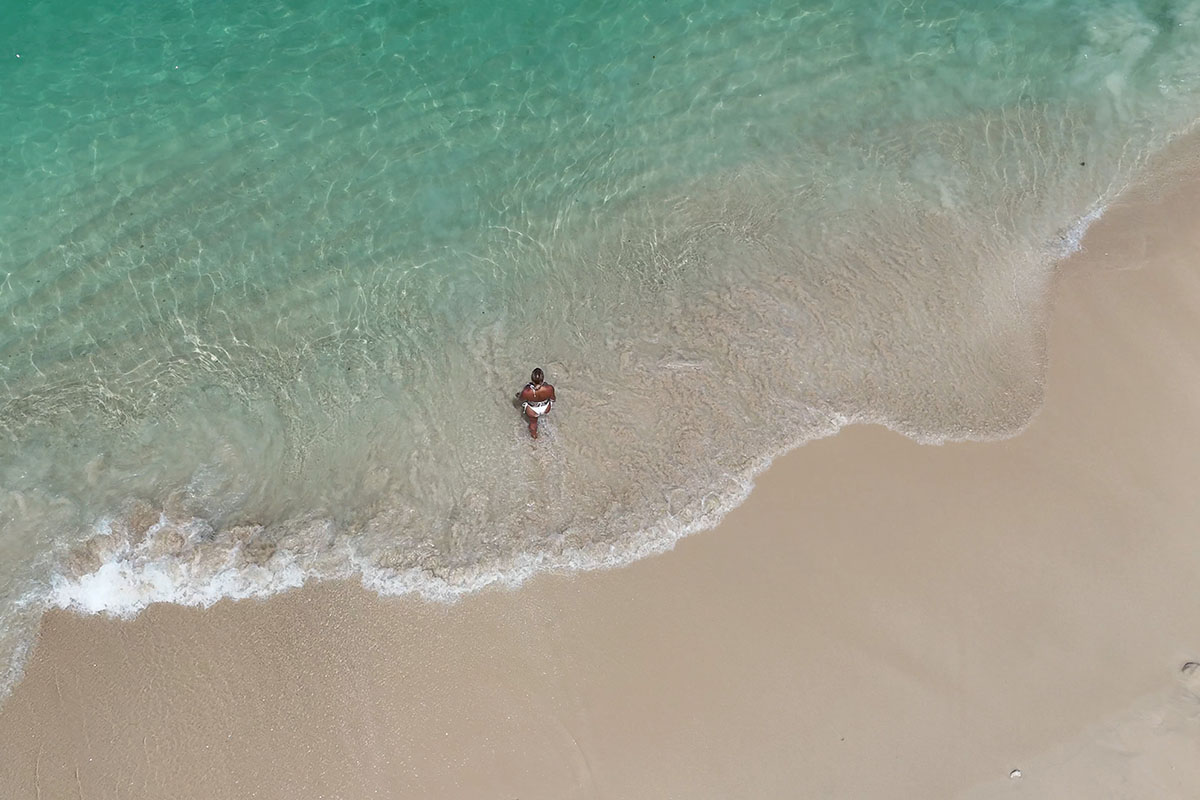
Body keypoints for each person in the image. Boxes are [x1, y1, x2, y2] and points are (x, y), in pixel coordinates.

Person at [516, 368, 555, 439]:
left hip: (532, 410)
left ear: (532, 379)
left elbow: (521, 399)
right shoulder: (549, 388)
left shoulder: (526, 391)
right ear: (543, 379)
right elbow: (553, 399)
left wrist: (519, 395)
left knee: (533, 423)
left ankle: (534, 437)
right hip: (546, 408)